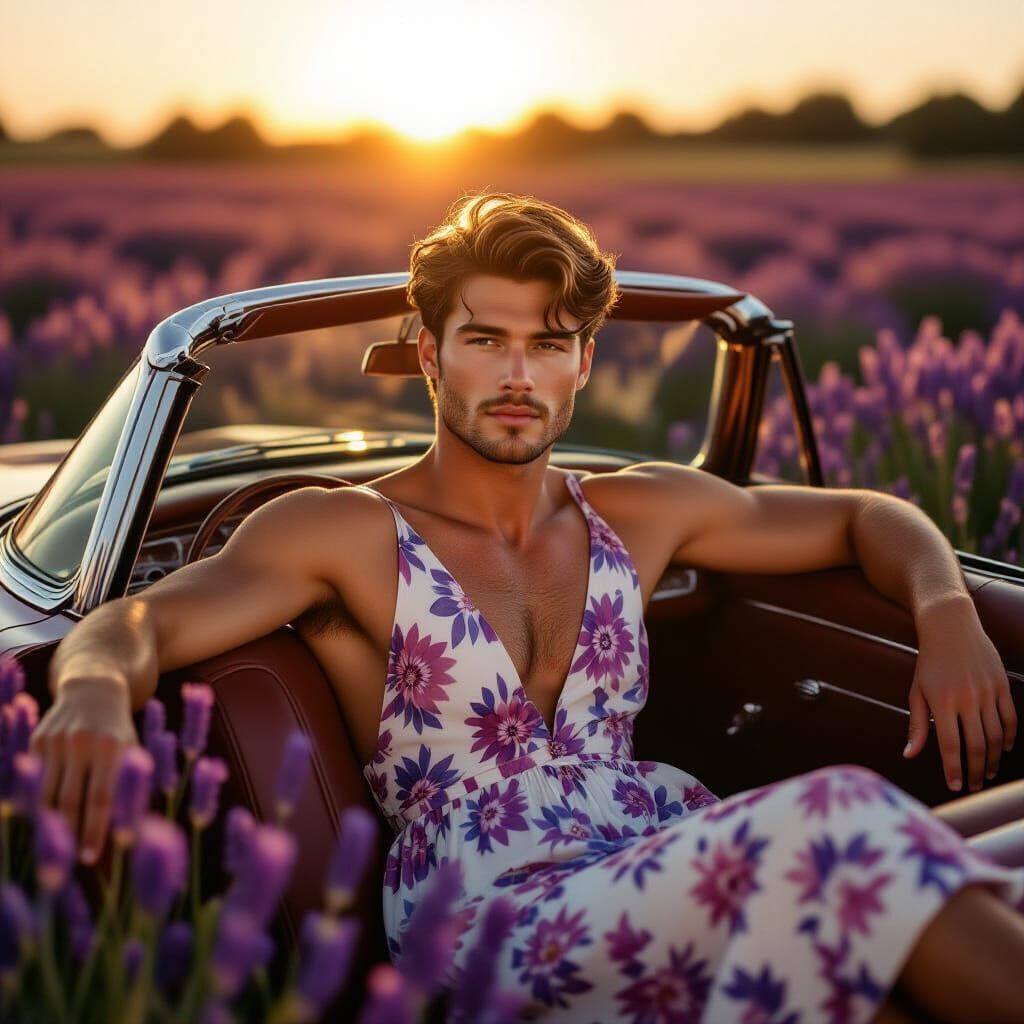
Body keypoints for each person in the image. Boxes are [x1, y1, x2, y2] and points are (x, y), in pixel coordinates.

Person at [31, 192, 1024, 1022]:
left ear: (583, 361)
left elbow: (864, 516)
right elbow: (140, 623)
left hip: (659, 850)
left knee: (893, 919)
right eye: (484, 340)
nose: (516, 376)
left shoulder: (638, 511)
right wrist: (92, 693)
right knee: (840, 815)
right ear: (430, 355)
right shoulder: (340, 530)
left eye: (548, 344)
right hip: (490, 918)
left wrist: (945, 611)